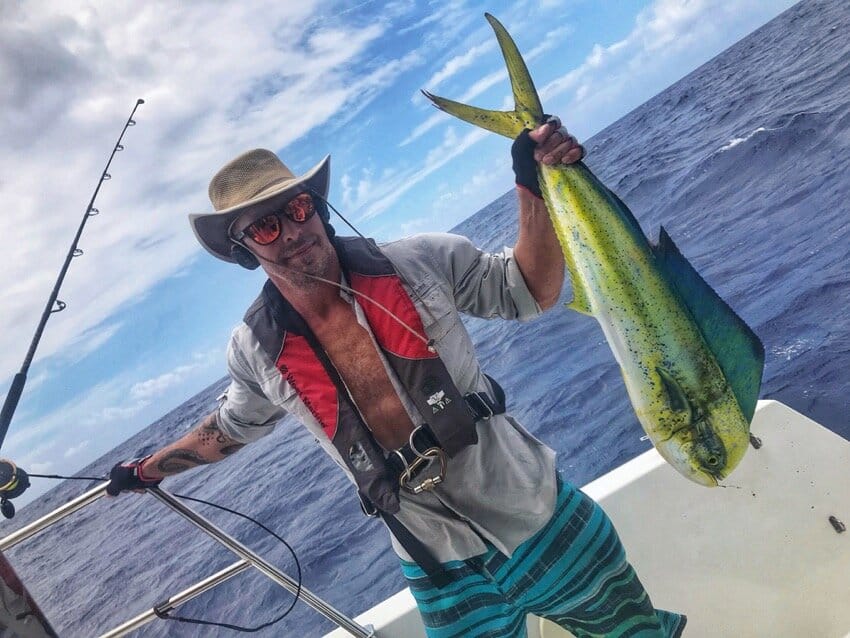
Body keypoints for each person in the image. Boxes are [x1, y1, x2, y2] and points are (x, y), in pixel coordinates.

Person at [108, 119, 686, 638]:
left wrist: (532, 184)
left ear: (319, 209)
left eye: (299, 209)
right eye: (264, 227)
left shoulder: (422, 260)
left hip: (534, 510)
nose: (291, 231)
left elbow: (529, 292)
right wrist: (145, 470)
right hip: (438, 567)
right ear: (242, 250)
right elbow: (230, 428)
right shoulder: (254, 350)